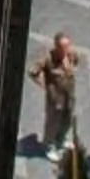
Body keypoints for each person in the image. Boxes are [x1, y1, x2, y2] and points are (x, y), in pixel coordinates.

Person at [31, 31, 79, 160]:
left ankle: (61, 140)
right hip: (56, 98)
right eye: (62, 48)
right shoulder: (48, 59)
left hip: (69, 95)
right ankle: (49, 146)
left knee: (68, 119)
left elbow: (75, 64)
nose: (65, 50)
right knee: (53, 123)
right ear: (56, 46)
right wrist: (44, 85)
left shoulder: (72, 54)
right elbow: (33, 72)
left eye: (67, 47)